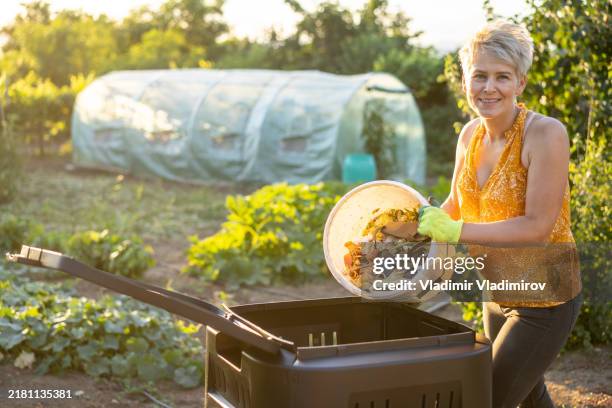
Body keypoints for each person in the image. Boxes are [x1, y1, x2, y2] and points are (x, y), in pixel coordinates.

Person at [416, 20, 582, 408]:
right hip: (497, 292)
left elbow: (538, 227)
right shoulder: (470, 135)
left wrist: (456, 231)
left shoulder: (545, 134)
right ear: (465, 81)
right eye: (479, 76)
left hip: (546, 299)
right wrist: (414, 225)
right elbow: (455, 204)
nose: (489, 87)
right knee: (528, 395)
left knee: (484, 396)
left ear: (520, 83)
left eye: (502, 77)